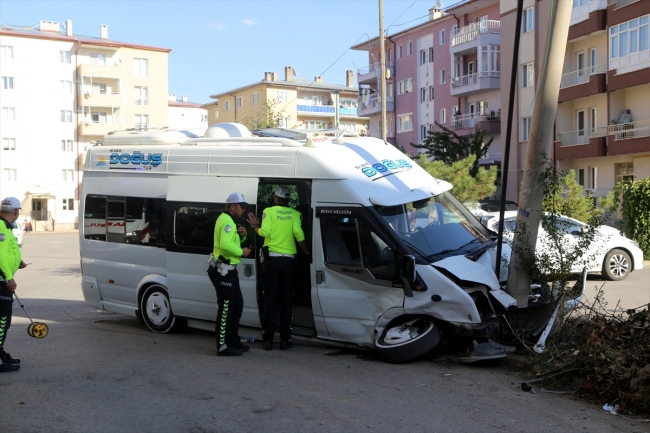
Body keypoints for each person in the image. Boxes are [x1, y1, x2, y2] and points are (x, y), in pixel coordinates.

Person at [247, 186, 309, 351]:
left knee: (270, 300)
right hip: (289, 262)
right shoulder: (295, 214)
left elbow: (264, 232)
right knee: (287, 301)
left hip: (271, 262)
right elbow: (298, 233)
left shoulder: (269, 211)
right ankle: (285, 340)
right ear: (288, 200)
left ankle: (268, 340)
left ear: (275, 198)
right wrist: (307, 251)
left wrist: (254, 226)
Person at [207, 192, 252, 357]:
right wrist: (242, 251)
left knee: (236, 305)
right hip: (222, 270)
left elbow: (231, 241)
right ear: (233, 206)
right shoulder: (226, 221)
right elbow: (226, 245)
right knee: (226, 307)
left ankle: (233, 341)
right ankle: (223, 346)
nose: (244, 210)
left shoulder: (229, 220)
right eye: (242, 207)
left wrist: (243, 235)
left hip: (229, 271)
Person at [0, 197, 27, 372]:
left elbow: (7, 252)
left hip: (3, 278)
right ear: (16, 212)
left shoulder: (5, 226)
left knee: (3, 321)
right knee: (2, 320)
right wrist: (9, 278)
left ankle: (1, 354)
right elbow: (0, 256)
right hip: (1, 280)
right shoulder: (1, 227)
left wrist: (17, 261)